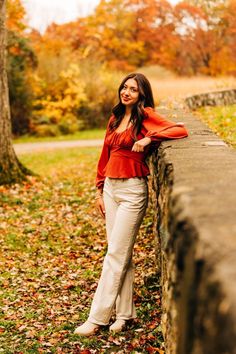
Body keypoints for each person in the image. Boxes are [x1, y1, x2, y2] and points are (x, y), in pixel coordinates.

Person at [74, 73, 188, 336]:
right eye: (124, 87)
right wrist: (100, 190)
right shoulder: (114, 118)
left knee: (114, 255)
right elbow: (105, 155)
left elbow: (179, 129)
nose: (126, 92)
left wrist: (149, 138)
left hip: (132, 192)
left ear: (141, 94)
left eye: (133, 89)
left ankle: (97, 318)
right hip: (111, 189)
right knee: (120, 253)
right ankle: (125, 315)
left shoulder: (145, 115)